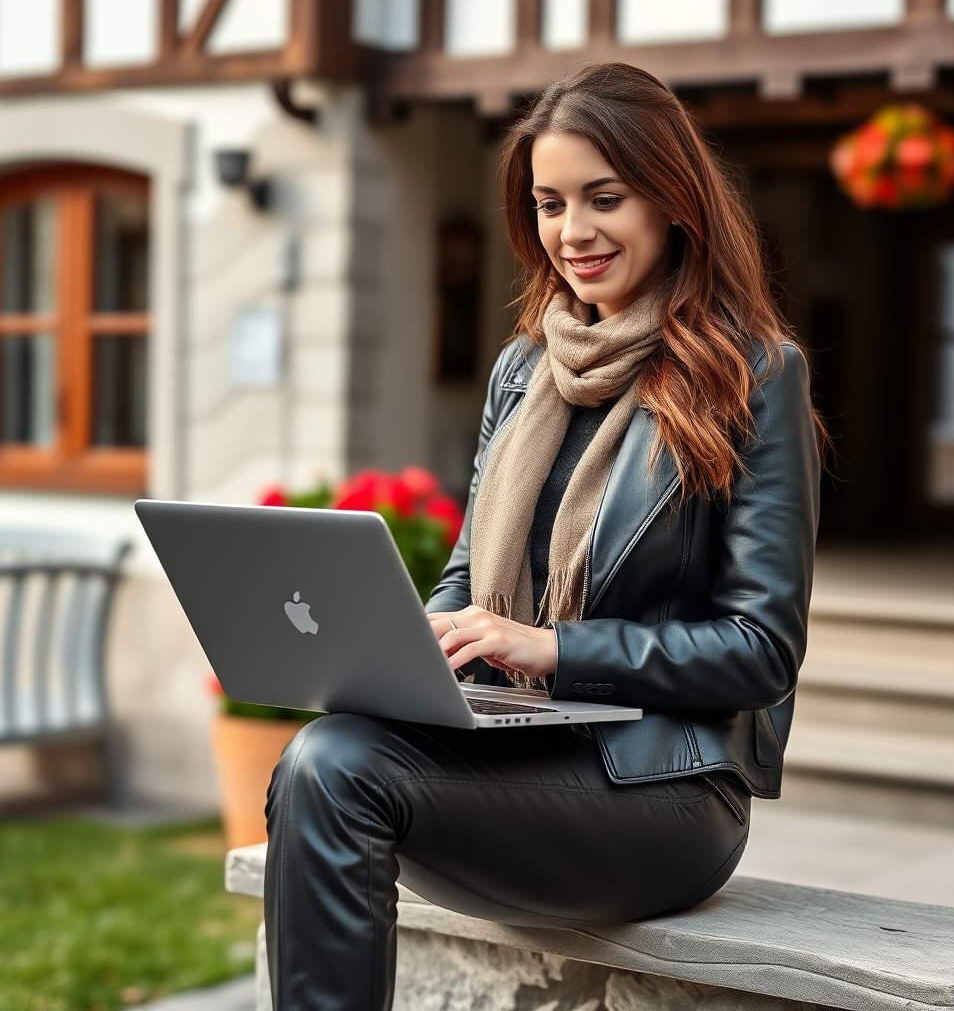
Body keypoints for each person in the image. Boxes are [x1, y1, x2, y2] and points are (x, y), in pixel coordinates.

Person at [264, 61, 822, 1010]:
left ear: (673, 200)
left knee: (335, 772)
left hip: (665, 788)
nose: (573, 232)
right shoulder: (524, 372)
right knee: (332, 751)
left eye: (605, 198)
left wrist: (556, 651)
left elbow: (760, 651)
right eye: (551, 203)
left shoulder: (757, 376)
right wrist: (421, 648)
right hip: (518, 744)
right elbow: (468, 577)